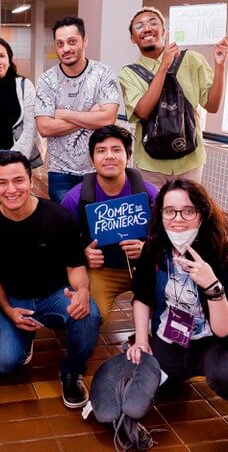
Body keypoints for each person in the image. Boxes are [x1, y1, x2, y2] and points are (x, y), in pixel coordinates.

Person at [127, 178, 228, 452]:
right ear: (160, 215)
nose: (177, 219)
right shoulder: (155, 248)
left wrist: (212, 287)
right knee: (134, 378)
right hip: (170, 338)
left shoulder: (227, 256)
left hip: (215, 344)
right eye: (169, 211)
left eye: (188, 211)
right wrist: (141, 341)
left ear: (202, 214)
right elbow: (142, 295)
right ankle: (174, 373)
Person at [0, 151, 101, 409]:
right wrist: (7, 309)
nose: (11, 190)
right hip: (13, 299)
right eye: (2, 183)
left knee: (89, 315)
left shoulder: (57, 216)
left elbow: (75, 264)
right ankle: (24, 334)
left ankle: (72, 371)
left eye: (19, 180)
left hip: (54, 294)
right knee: (3, 363)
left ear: (31, 181)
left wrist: (82, 290)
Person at [118, 6, 228, 187]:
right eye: (139, 26)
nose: (147, 28)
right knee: (153, 206)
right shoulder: (129, 73)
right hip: (149, 164)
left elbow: (212, 106)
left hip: (190, 161)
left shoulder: (191, 59)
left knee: (187, 205)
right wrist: (164, 66)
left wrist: (220, 66)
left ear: (164, 32)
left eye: (153, 23)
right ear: (133, 38)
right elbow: (142, 112)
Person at [61, 125, 159, 324]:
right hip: (103, 271)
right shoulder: (76, 198)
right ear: (92, 159)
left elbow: (170, 238)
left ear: (128, 156)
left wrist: (148, 249)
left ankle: (148, 334)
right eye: (101, 151)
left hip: (145, 267)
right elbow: (61, 245)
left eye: (116, 150)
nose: (109, 156)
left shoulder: (150, 194)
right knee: (90, 317)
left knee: (165, 305)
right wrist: (83, 254)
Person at [34, 15, 121, 204]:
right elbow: (45, 128)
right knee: (66, 222)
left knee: (98, 222)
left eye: (72, 41)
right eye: (60, 44)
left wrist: (63, 114)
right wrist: (92, 115)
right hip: (60, 173)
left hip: (99, 169)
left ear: (85, 41)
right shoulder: (46, 80)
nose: (66, 48)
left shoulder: (103, 73)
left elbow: (108, 119)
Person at [0, 37, 40, 164]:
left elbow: (30, 127)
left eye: (2, 56)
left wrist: (15, 158)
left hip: (18, 160)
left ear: (9, 59)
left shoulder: (24, 85)